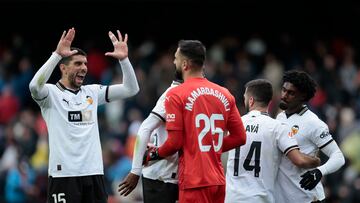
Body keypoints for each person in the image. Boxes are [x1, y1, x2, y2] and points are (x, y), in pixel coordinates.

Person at [28, 28, 139, 203]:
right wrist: (57, 54)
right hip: (64, 174)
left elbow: (131, 89)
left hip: (94, 173)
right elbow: (34, 86)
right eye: (78, 64)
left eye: (85, 64)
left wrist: (124, 60)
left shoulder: (92, 92)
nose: (84, 68)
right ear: (63, 68)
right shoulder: (50, 94)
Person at [144, 40, 247, 203]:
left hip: (195, 181)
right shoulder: (225, 94)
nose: (173, 62)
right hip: (218, 181)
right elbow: (240, 137)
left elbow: (174, 143)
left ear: (184, 64)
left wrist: (153, 154)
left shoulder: (176, 94)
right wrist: (211, 145)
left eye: (176, 59)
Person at [225, 79, 321, 203]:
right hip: (260, 198)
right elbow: (300, 160)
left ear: (251, 100)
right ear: (269, 102)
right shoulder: (277, 128)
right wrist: (316, 161)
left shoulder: (235, 125)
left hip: (232, 198)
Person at [275, 70, 345, 203]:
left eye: (291, 93)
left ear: (302, 96)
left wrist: (319, 172)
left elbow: (338, 157)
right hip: (284, 198)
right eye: (283, 90)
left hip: (308, 198)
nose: (284, 95)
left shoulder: (313, 123)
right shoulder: (280, 117)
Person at [118, 79, 182, 203]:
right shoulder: (173, 94)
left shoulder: (192, 94)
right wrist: (136, 170)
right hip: (160, 176)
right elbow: (145, 129)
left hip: (177, 174)